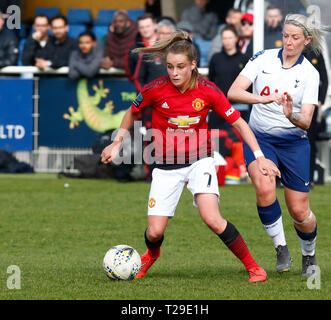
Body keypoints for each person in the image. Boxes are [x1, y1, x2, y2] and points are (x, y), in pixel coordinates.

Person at [101, 30, 280, 283]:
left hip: (200, 160)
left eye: (181, 67)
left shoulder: (208, 91)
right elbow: (132, 112)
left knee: (212, 219)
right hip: (164, 165)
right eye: (170, 66)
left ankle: (253, 267)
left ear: (193, 65)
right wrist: (116, 143)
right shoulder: (155, 89)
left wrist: (260, 156)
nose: (174, 73)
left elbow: (239, 123)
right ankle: (151, 255)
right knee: (154, 233)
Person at [227, 14, 325, 277]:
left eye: (295, 38)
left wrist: (289, 115)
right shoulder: (263, 58)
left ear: (307, 40)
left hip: (294, 143)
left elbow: (305, 122)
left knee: (299, 211)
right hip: (260, 138)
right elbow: (233, 93)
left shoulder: (310, 73)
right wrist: (261, 99)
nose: (289, 42)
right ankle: (281, 248)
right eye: (285, 36)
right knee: (264, 186)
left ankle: (308, 254)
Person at [304, 50, 329, 187]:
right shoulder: (291, 53)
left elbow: (324, 78)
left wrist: (320, 100)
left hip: (311, 105)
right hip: (294, 104)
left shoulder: (317, 54)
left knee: (310, 141)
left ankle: (310, 178)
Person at [125, 13, 158, 92]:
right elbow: (129, 71)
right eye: (142, 27)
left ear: (155, 25)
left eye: (148, 26)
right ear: (138, 29)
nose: (145, 30)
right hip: (144, 94)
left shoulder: (165, 43)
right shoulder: (133, 48)